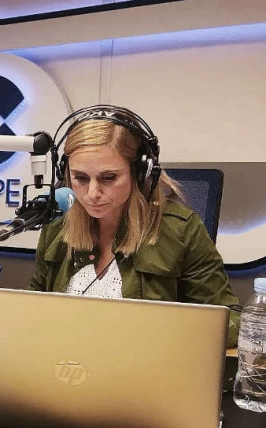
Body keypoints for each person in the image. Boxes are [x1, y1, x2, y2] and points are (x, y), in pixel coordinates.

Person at [30, 105, 242, 347]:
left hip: (146, 365)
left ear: (140, 173)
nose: (92, 193)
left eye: (108, 178)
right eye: (80, 178)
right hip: (64, 363)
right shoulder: (58, 224)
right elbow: (33, 305)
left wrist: (168, 333)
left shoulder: (182, 231)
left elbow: (231, 320)